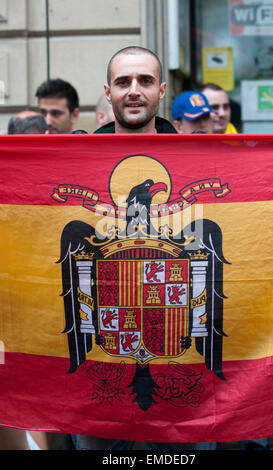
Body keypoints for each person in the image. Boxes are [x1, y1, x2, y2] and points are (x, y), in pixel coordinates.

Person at [71, 47, 209, 451]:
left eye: (145, 81)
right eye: (123, 82)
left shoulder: (199, 161)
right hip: (96, 369)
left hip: (180, 364)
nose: (134, 91)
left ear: (162, 90)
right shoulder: (73, 163)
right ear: (107, 91)